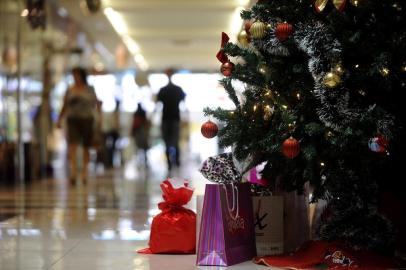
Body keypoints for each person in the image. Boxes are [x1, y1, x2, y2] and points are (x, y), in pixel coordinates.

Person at [56, 67, 100, 185]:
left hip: (87, 119)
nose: (75, 77)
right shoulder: (70, 89)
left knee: (86, 146)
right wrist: (59, 119)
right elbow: (65, 105)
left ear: (82, 76)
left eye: (77, 75)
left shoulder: (89, 89)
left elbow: (96, 104)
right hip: (72, 120)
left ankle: (85, 172)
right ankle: (74, 173)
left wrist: (99, 118)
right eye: (74, 75)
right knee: (72, 146)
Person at [156, 68, 186, 171]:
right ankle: (174, 162)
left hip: (170, 119)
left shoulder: (164, 90)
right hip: (172, 119)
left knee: (170, 141)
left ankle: (173, 162)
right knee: (172, 141)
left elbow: (157, 104)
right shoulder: (177, 89)